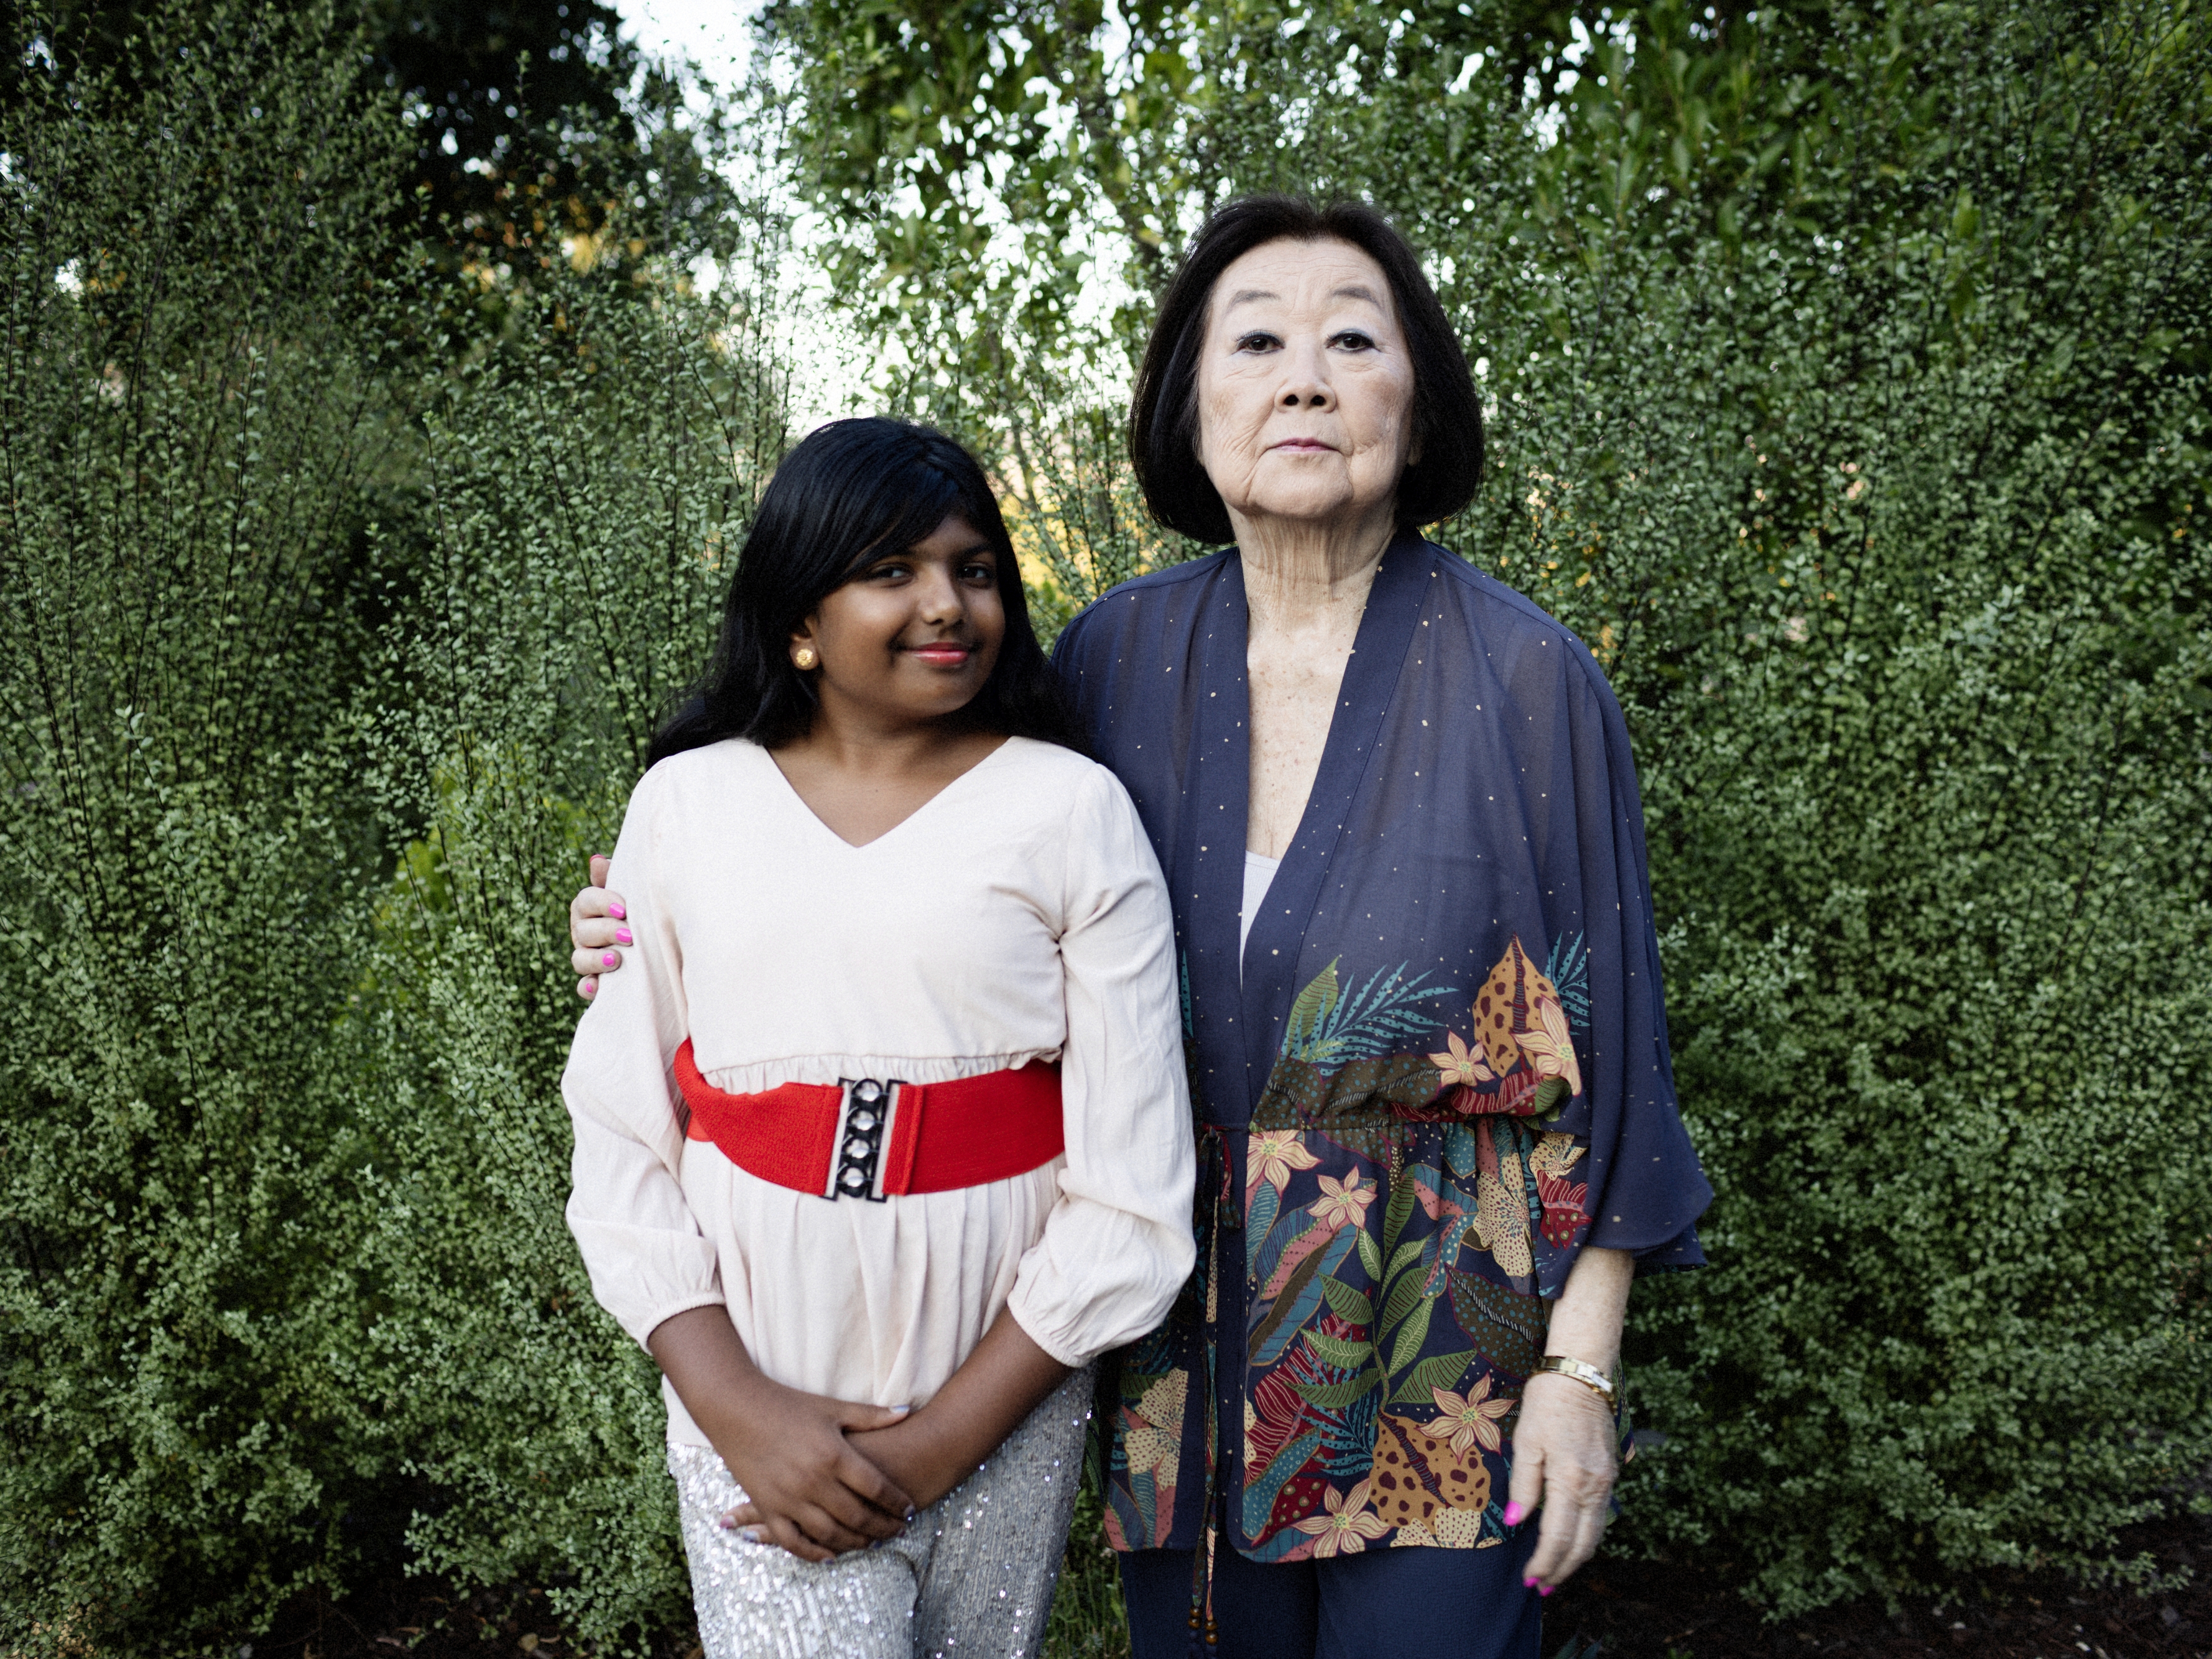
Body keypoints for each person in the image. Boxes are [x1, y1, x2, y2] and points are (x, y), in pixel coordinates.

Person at [572, 199, 1711, 1659]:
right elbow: (903, 860)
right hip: (1169, 1355)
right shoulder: (1115, 657)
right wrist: (646, 925)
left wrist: (1582, 1373)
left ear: (1416, 412)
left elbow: (1612, 1066)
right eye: (1258, 340)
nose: (1304, 375)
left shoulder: (1530, 683)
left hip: (1443, 1356)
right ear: (1195, 407)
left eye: (1351, 339)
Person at [562, 417, 1196, 1659]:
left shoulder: (1072, 810)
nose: (946, 603)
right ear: (801, 612)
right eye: (892, 570)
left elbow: (1131, 1187)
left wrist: (939, 1441)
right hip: (756, 1390)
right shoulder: (688, 806)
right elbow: (623, 1127)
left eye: (973, 567)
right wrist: (734, 1403)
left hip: (1004, 1390)